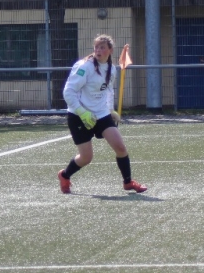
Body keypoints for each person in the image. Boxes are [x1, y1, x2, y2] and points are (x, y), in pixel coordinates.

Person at [57, 34, 147, 194]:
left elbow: (108, 91)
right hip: (78, 116)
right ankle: (64, 175)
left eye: (102, 47)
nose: (98, 50)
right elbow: (68, 92)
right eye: (96, 47)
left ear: (110, 50)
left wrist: (110, 110)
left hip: (101, 114)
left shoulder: (111, 69)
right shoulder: (84, 66)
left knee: (120, 147)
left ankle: (128, 182)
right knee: (86, 158)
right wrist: (82, 112)